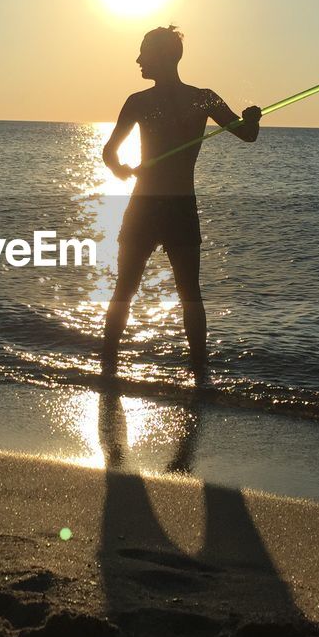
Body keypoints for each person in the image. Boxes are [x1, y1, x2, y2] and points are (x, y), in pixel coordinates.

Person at [101, 26, 260, 385]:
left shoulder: (171, 100)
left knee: (133, 289)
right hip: (169, 207)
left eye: (145, 52)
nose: (139, 59)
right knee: (181, 292)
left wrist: (253, 118)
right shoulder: (186, 99)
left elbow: (247, 133)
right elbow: (247, 135)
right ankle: (197, 376)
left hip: (154, 206)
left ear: (165, 57)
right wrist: (121, 167)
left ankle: (111, 368)